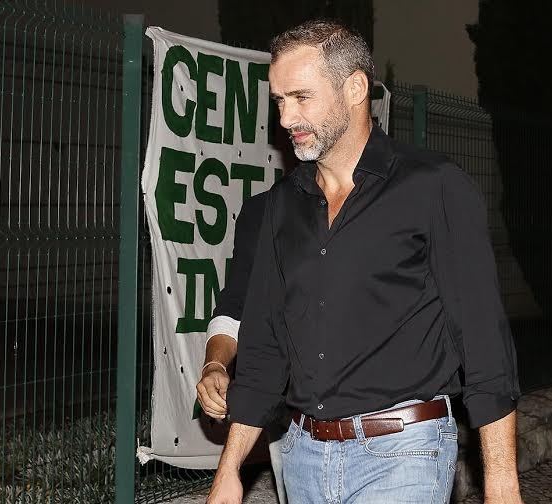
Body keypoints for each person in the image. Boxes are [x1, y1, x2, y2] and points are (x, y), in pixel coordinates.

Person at [207, 19, 522, 504]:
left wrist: (501, 483)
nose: (286, 117)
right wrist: (229, 470)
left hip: (403, 453)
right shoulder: (280, 208)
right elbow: (265, 352)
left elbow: (484, 344)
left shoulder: (433, 186)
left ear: (355, 88)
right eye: (279, 100)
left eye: (301, 97)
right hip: (302, 457)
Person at [196, 192, 287, 504]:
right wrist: (215, 365)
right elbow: (239, 301)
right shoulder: (265, 209)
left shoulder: (396, 194)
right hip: (296, 422)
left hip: (393, 423)